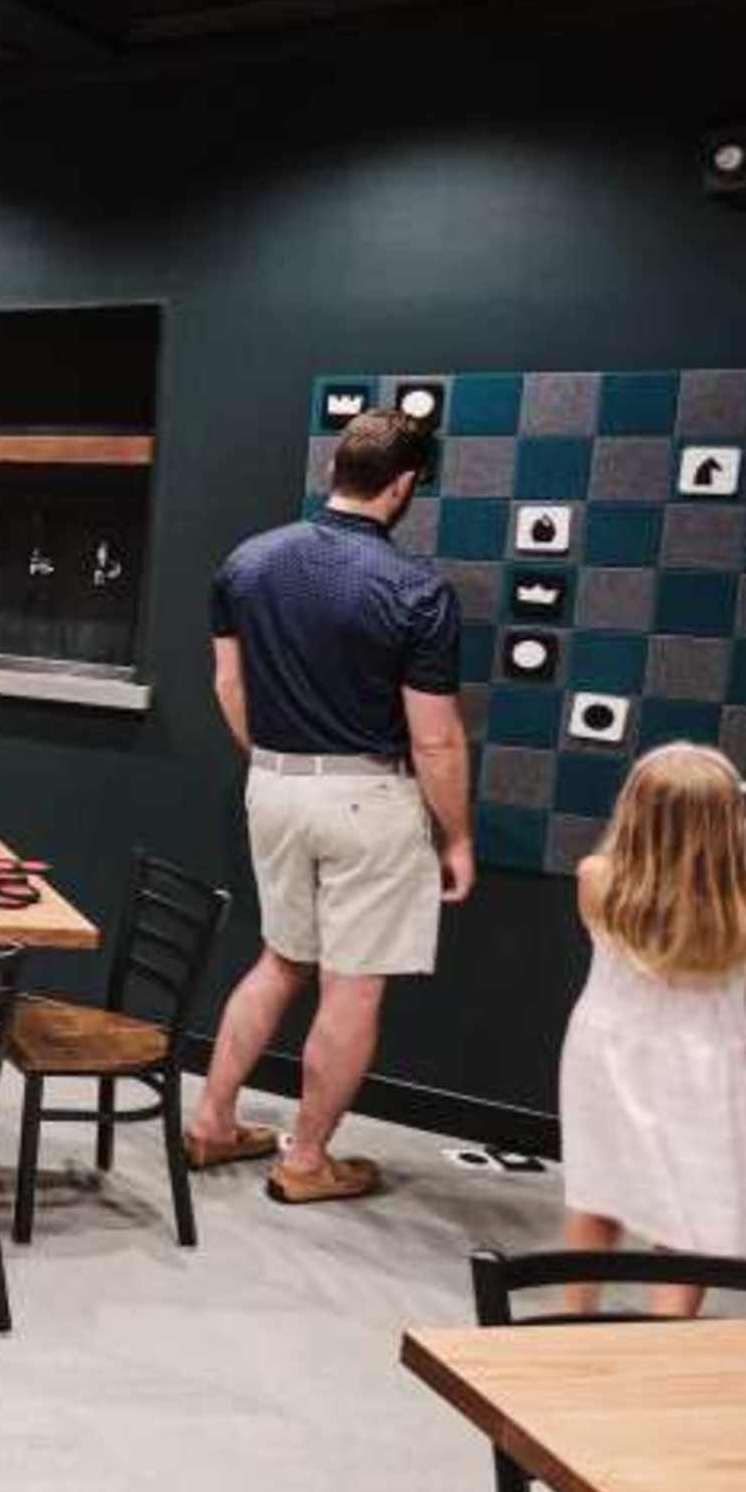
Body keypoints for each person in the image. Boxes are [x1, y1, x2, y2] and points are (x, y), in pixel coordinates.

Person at [187, 408, 471, 1206]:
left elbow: (227, 685)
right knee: (352, 988)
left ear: (336, 470)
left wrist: (273, 764)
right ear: (406, 485)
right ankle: (307, 1161)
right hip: (369, 796)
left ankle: (211, 1121)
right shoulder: (418, 590)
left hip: (272, 786)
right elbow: (438, 741)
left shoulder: (248, 562)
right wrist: (458, 837)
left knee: (280, 959)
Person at [554, 744, 746, 1314]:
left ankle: (572, 1317)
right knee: (693, 1204)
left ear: (633, 810)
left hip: (608, 1051)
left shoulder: (596, 879)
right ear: (730, 822)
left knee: (599, 1188)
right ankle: (667, 1332)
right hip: (710, 1061)